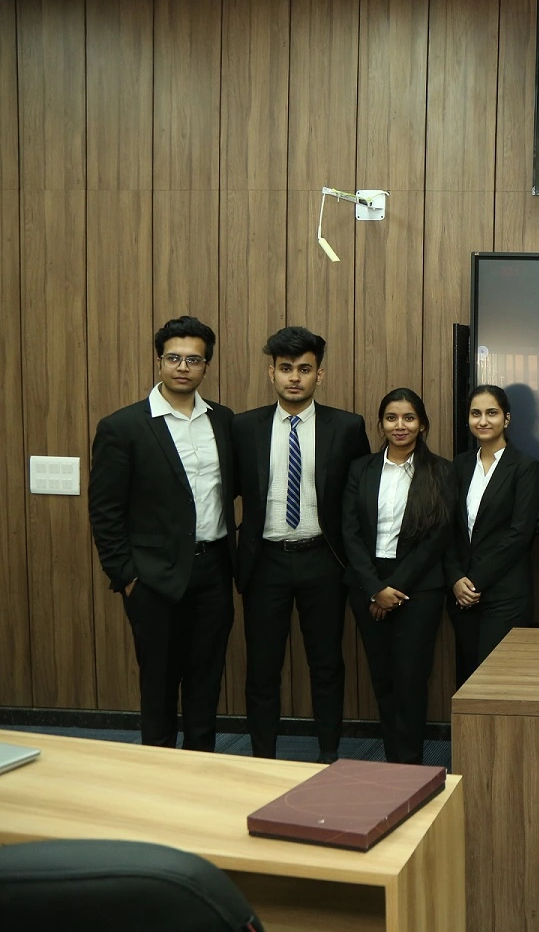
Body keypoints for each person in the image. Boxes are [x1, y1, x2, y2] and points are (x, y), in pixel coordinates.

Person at [88, 315, 236, 752]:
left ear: (206, 366)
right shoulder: (123, 427)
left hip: (213, 571)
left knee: (207, 680)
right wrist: (126, 576)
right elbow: (105, 511)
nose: (183, 367)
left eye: (193, 359)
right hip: (152, 578)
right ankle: (158, 770)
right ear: (159, 362)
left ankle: (201, 766)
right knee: (159, 682)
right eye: (174, 358)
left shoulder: (223, 421)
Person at [233, 326, 369, 763]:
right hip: (264, 561)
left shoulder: (347, 427)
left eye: (305, 369)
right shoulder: (244, 427)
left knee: (326, 664)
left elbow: (361, 498)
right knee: (262, 668)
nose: (295, 377)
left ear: (319, 375)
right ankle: (263, 760)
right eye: (286, 368)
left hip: (324, 560)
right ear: (271, 373)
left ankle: (329, 754)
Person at [342, 388, 451, 764]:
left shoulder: (440, 471)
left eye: (408, 418)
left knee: (411, 679)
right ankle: (393, 763)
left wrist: (395, 588)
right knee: (383, 677)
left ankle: (410, 765)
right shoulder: (361, 469)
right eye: (391, 418)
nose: (399, 425)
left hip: (418, 588)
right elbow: (349, 532)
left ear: (422, 424)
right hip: (368, 584)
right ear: (381, 424)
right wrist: (375, 589)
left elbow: (437, 538)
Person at [445, 385, 539, 685]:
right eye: (476, 414)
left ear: (506, 419)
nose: (483, 421)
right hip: (461, 593)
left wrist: (474, 581)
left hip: (504, 595)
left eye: (492, 413)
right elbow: (447, 528)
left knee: (497, 682)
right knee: (468, 678)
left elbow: (519, 534)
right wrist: (456, 578)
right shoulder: (459, 465)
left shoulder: (525, 467)